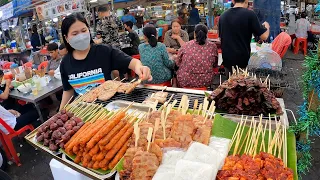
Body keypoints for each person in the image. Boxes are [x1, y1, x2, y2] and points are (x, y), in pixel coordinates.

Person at [59, 13, 151, 109]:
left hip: (107, 110)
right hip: (83, 113)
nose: (81, 36)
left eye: (83, 30)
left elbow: (133, 63)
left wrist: (140, 68)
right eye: (75, 34)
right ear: (66, 38)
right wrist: (61, 111)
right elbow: (68, 91)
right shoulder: (65, 63)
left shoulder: (104, 51)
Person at [219, 0, 270, 70]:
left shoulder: (223, 15)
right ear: (246, 0)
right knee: (241, 80)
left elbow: (221, 38)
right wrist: (267, 26)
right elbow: (264, 36)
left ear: (233, 1)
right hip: (242, 60)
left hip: (227, 60)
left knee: (230, 80)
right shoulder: (249, 14)